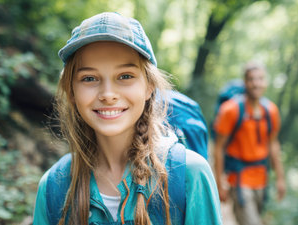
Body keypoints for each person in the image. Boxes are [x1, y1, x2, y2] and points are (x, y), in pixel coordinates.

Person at [32, 12, 221, 225]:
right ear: (72, 91)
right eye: (89, 78)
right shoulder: (53, 187)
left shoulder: (189, 175)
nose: (108, 94)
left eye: (125, 76)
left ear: (149, 87)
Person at [213, 63, 286, 225]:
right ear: (245, 82)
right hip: (239, 179)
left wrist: (281, 178)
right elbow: (218, 148)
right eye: (251, 79)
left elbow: (273, 144)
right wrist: (219, 183)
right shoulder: (230, 110)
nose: (256, 83)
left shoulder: (271, 111)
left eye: (260, 79)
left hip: (262, 179)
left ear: (265, 82)